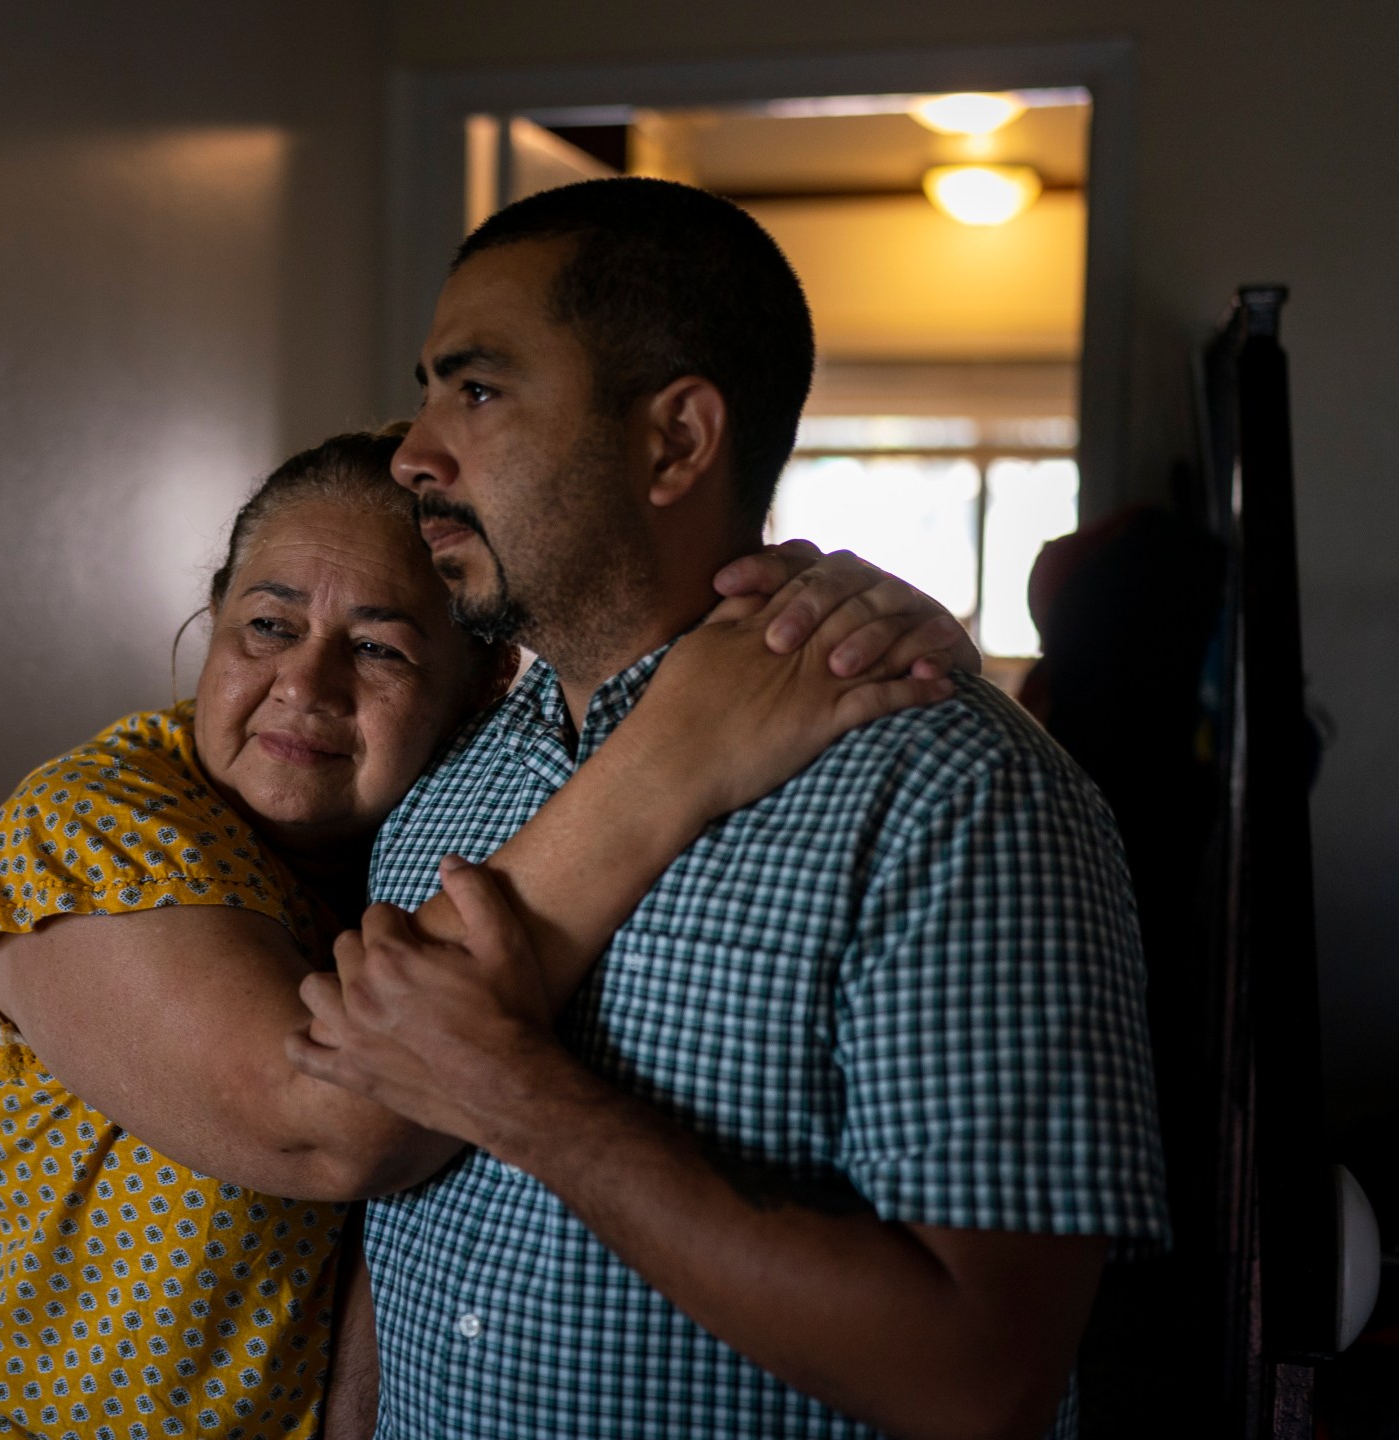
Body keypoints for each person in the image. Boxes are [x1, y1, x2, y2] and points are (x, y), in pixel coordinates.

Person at [0, 422, 979, 1440]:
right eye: (266, 625)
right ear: (208, 625)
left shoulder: (462, 813)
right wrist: (676, 756)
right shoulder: (90, 831)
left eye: (379, 648)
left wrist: (834, 627)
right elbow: (327, 1127)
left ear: (483, 690)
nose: (305, 686)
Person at [286, 178, 1167, 1439]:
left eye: (474, 390)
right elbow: (402, 1225)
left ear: (676, 441)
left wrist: (521, 1098)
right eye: (427, 390)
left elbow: (981, 1380)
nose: (414, 453)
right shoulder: (440, 780)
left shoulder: (955, 794)